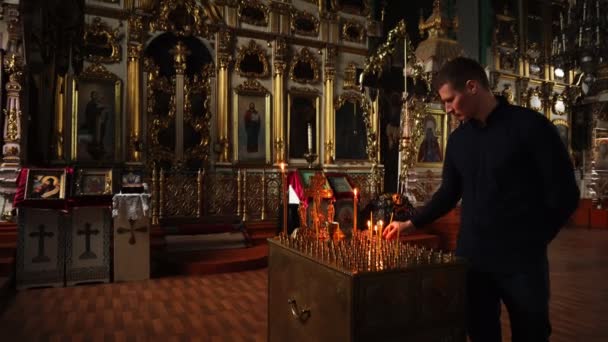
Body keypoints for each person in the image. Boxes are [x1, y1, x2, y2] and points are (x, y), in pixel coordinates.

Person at [383, 57, 579, 342]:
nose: (448, 109)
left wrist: (536, 239)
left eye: (451, 100)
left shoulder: (531, 126)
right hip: (473, 260)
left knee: (532, 333)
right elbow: (448, 194)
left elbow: (565, 194)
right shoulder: (459, 140)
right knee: (480, 334)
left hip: (521, 262)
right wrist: (410, 224)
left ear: (472, 87)